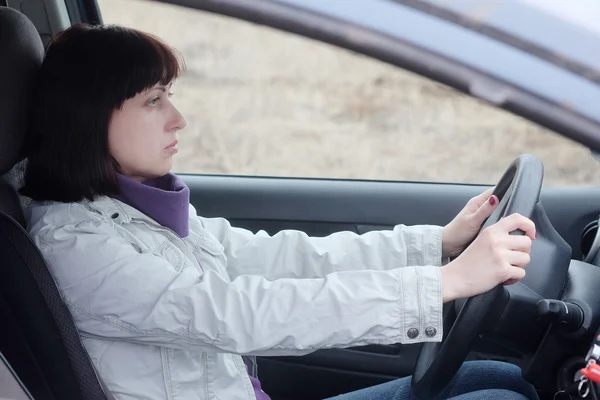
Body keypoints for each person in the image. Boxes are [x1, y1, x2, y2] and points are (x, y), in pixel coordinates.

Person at [20, 24, 538, 400]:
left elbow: (280, 258)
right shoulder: (78, 246)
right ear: (88, 117)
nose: (179, 119)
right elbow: (243, 313)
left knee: (501, 379)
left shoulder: (134, 208)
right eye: (154, 101)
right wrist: (442, 284)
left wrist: (436, 245)